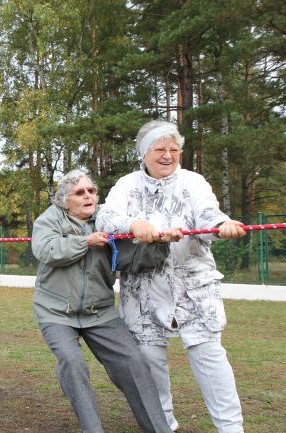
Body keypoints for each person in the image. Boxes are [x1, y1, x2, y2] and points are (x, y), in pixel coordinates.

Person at [96, 120, 247, 433]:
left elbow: (208, 215)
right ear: (143, 152)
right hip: (143, 291)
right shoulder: (126, 185)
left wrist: (222, 225)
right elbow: (106, 217)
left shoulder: (194, 182)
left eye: (173, 150)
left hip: (194, 288)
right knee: (150, 362)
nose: (167, 155)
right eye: (159, 149)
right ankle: (162, 425)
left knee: (210, 358)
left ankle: (231, 428)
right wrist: (134, 224)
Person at [31, 170, 176, 433]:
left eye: (92, 191)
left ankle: (159, 429)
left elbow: (131, 261)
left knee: (134, 362)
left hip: (100, 312)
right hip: (55, 312)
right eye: (80, 192)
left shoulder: (106, 222)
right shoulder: (49, 219)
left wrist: (159, 243)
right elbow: (47, 250)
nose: (88, 196)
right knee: (73, 364)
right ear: (65, 201)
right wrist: (85, 242)